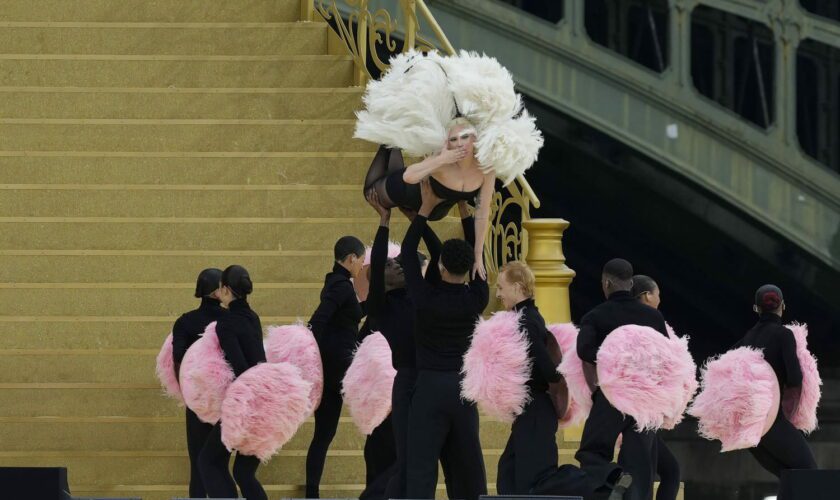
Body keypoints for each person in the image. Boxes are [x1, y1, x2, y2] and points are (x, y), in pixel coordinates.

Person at [363, 191, 473, 499]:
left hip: (436, 380)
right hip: (410, 383)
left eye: (399, 263)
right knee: (411, 462)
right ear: (377, 281)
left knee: (455, 460)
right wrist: (384, 221)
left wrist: (417, 219)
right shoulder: (379, 308)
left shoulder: (424, 296)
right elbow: (381, 258)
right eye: (387, 266)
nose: (397, 266)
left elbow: (440, 255)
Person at [495, 261, 630, 500]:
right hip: (533, 409)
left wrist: (554, 382)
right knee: (508, 472)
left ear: (517, 288)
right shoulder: (530, 316)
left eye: (501, 287)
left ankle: (602, 483)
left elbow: (547, 366)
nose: (498, 293)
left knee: (538, 482)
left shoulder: (525, 320)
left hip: (536, 408)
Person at [402, 179, 489, 500]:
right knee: (466, 467)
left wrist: (423, 211)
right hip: (464, 390)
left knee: (422, 468)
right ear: (471, 269)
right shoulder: (477, 297)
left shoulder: (425, 298)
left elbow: (408, 253)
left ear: (438, 266)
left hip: (428, 387)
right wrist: (465, 206)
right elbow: (473, 250)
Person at [575, 259, 669, 500]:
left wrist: (611, 358)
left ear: (606, 283)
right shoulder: (653, 317)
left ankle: (615, 477)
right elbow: (667, 357)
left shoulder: (595, 316)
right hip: (645, 400)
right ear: (630, 284)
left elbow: (584, 350)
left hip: (611, 396)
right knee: (640, 463)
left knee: (591, 453)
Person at [363, 118, 494, 279]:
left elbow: (482, 212)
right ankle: (389, 138)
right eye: (454, 139)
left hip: (435, 211)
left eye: (465, 136)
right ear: (447, 143)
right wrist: (440, 159)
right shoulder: (442, 157)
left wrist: (478, 255)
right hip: (407, 191)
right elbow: (409, 177)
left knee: (392, 169)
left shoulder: (486, 168)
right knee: (369, 192)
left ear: (474, 138)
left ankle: (392, 138)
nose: (460, 143)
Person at [197, 265, 267, 500]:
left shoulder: (225, 324)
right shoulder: (253, 317)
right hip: (265, 400)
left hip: (245, 402)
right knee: (244, 473)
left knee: (208, 461)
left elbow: (240, 368)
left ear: (226, 289)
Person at [733, 285, 817, 477]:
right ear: (783, 306)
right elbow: (795, 378)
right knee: (810, 473)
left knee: (789, 476)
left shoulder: (748, 337)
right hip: (772, 422)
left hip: (750, 429)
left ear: (757, 308)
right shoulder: (784, 335)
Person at [305, 235, 366, 498]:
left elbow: (350, 314)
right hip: (340, 368)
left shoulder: (336, 283)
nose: (362, 267)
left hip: (333, 366)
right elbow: (318, 320)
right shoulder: (341, 287)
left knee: (323, 435)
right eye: (361, 261)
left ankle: (312, 493)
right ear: (351, 258)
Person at [171, 268, 225, 498]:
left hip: (195, 402)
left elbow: (178, 362)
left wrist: (189, 393)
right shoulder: (231, 320)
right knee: (219, 466)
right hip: (225, 401)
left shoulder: (185, 321)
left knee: (197, 464)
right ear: (215, 292)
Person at [631, 275, 680, 500]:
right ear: (647, 295)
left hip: (628, 404)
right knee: (648, 474)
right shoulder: (652, 318)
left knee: (666, 470)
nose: (660, 299)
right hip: (644, 408)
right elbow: (664, 360)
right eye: (657, 294)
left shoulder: (622, 317)